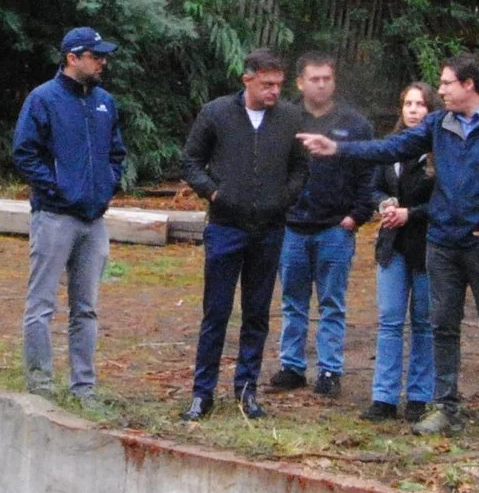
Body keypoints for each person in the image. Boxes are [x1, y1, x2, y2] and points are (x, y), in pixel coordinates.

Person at [305, 54, 479, 435]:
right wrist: (338, 149)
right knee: (442, 327)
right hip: (442, 243)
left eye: (446, 83)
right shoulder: (438, 124)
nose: (441, 90)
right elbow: (391, 148)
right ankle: (445, 406)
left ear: (469, 85)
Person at [179, 48, 307, 422]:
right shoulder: (216, 113)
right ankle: (202, 393)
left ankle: (246, 390)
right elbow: (190, 161)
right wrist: (214, 191)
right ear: (247, 79)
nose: (274, 92)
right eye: (267, 84)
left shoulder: (289, 118)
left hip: (269, 228)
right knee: (216, 312)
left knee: (256, 313)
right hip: (225, 227)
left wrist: (284, 197)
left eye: (279, 85)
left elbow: (301, 167)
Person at [11, 27, 126, 399]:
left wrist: (107, 186)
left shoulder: (105, 101)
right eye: (95, 56)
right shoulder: (43, 99)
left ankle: (84, 388)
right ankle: (40, 385)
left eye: (103, 55)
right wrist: (59, 189)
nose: (102, 61)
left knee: (86, 308)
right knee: (41, 304)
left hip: (94, 220)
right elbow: (24, 153)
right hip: (55, 217)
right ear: (72, 58)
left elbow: (116, 152)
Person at [271, 54, 375, 397]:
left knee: (332, 302)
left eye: (327, 78)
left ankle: (330, 370)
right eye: (314, 79)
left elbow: (368, 171)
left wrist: (356, 215)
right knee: (292, 300)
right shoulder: (284, 117)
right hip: (292, 226)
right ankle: (291, 366)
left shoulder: (354, 123)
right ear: (300, 82)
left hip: (335, 226)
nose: (321, 84)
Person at [362, 82, 437, 423]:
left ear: (431, 109)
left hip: (428, 246)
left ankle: (420, 396)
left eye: (420, 104)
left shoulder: (441, 150)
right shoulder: (391, 149)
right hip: (392, 245)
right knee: (390, 321)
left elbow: (447, 201)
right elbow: (373, 186)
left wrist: (412, 212)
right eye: (408, 103)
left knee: (424, 322)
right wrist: (384, 203)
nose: (413, 110)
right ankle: (384, 397)